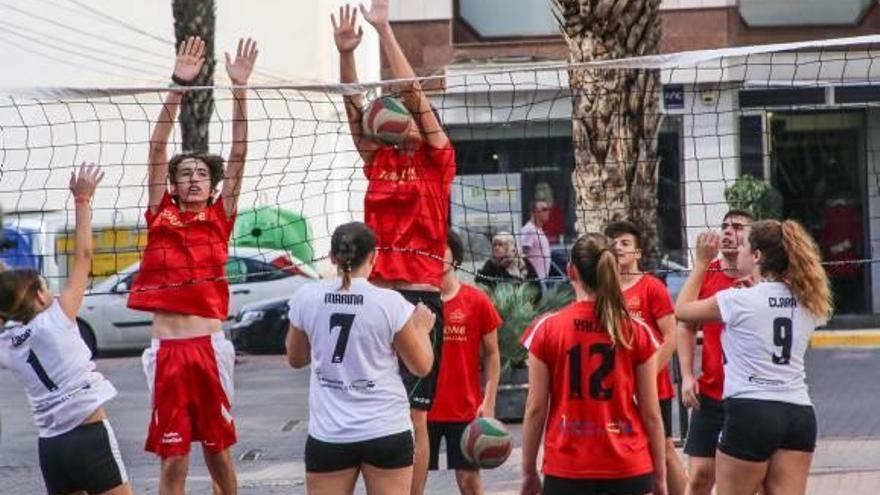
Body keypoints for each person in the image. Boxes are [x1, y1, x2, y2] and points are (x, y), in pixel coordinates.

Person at [126, 35, 258, 494]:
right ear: (175, 186)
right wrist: (178, 85)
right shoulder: (160, 213)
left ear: (211, 183)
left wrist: (239, 90)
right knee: (173, 461)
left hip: (209, 348)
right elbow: (157, 147)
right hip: (167, 353)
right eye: (187, 174)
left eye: (202, 173)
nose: (195, 178)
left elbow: (239, 155)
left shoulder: (220, 218)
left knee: (218, 454)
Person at [333, 2, 455, 493]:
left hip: (420, 297)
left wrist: (384, 29)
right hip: (375, 297)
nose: (399, 111)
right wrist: (346, 54)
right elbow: (351, 106)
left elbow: (413, 91)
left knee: (415, 417)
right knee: (371, 406)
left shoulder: (437, 158)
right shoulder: (376, 158)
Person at [0, 164, 132, 495]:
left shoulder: (6, 343)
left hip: (51, 448)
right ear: (42, 295)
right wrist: (83, 200)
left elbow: (7, 292)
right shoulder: (57, 319)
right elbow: (84, 256)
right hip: (89, 436)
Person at [675, 220, 831, 495]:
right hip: (798, 413)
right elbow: (776, 301)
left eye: (745, 244)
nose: (739, 248)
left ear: (757, 256)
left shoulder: (738, 300)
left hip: (751, 410)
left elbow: (683, 311)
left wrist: (701, 263)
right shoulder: (810, 301)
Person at [285, 221, 436, 495]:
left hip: (330, 434)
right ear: (373, 257)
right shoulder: (389, 303)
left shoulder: (306, 297)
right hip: (385, 429)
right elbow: (422, 366)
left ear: (332, 257)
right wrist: (423, 329)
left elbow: (296, 359)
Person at [520, 234, 667, 495]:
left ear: (570, 271)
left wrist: (528, 471)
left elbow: (535, 408)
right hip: (629, 466)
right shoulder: (637, 330)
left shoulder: (546, 329)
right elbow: (652, 415)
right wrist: (660, 477)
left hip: (567, 468)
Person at [605, 221, 688, 495]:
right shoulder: (605, 292)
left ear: (638, 252)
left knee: (662, 448)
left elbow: (671, 335)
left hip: (652, 385)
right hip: (616, 388)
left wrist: (646, 376)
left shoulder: (651, 287)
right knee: (619, 449)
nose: (619, 248)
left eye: (625, 243)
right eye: (614, 243)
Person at [676, 209, 753, 495]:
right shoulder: (706, 272)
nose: (728, 231)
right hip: (711, 393)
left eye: (737, 226)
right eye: (725, 226)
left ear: (752, 239)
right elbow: (684, 323)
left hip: (749, 396)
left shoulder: (764, 280)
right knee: (699, 477)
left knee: (744, 482)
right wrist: (686, 375)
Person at [428, 231, 501, 495]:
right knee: (412, 484)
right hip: (422, 410)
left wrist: (489, 401)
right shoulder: (416, 302)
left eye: (442, 248)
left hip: (465, 410)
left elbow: (493, 355)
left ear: (455, 257)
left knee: (468, 481)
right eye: (431, 248)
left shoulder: (476, 300)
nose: (437, 253)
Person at [475, 232, 541, 297]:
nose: (496, 248)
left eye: (500, 244)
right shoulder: (490, 264)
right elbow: (480, 282)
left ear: (510, 246)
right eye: (494, 245)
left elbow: (537, 288)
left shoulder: (523, 261)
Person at [520, 200, 552, 280]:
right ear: (534, 212)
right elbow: (522, 256)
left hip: (541, 280)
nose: (548, 212)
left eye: (548, 209)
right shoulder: (529, 230)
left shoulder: (538, 230)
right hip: (533, 281)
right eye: (544, 209)